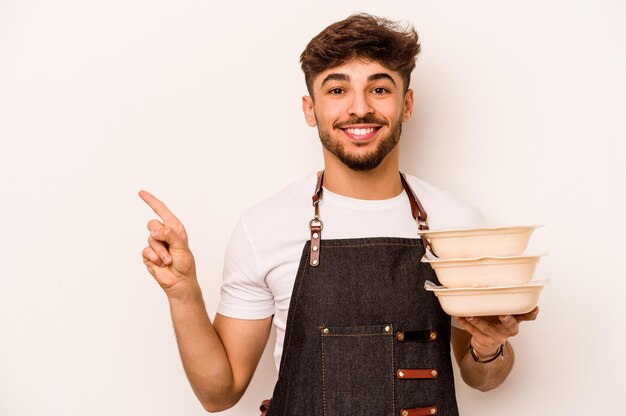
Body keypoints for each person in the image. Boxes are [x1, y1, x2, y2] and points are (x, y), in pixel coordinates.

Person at [140, 13, 538, 415]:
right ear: (310, 109)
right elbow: (219, 393)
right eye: (337, 90)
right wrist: (183, 292)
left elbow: (482, 378)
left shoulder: (457, 225)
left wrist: (489, 347)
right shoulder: (263, 227)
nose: (359, 108)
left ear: (407, 104)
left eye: (379, 88)